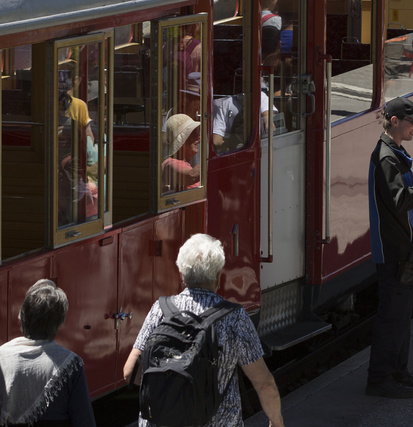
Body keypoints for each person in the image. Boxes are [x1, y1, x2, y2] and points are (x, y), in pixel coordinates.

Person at [125, 235, 283, 427]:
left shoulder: (160, 309)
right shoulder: (234, 318)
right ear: (218, 277)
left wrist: (171, 390)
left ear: (181, 275)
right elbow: (264, 384)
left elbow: (130, 371)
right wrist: (277, 421)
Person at [364, 97, 413, 399]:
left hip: (404, 250)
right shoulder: (386, 157)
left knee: (401, 316)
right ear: (395, 121)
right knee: (391, 317)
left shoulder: (395, 152)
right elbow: (399, 201)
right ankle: (379, 379)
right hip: (395, 252)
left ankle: (398, 372)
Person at [0, 281, 94, 427]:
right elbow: (84, 421)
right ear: (59, 323)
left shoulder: (2, 356)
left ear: (22, 316)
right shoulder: (71, 364)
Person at [161, 113, 201, 193]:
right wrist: (213, 161)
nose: (198, 137)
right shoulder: (171, 163)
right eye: (193, 134)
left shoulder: (183, 163)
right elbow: (191, 176)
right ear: (182, 141)